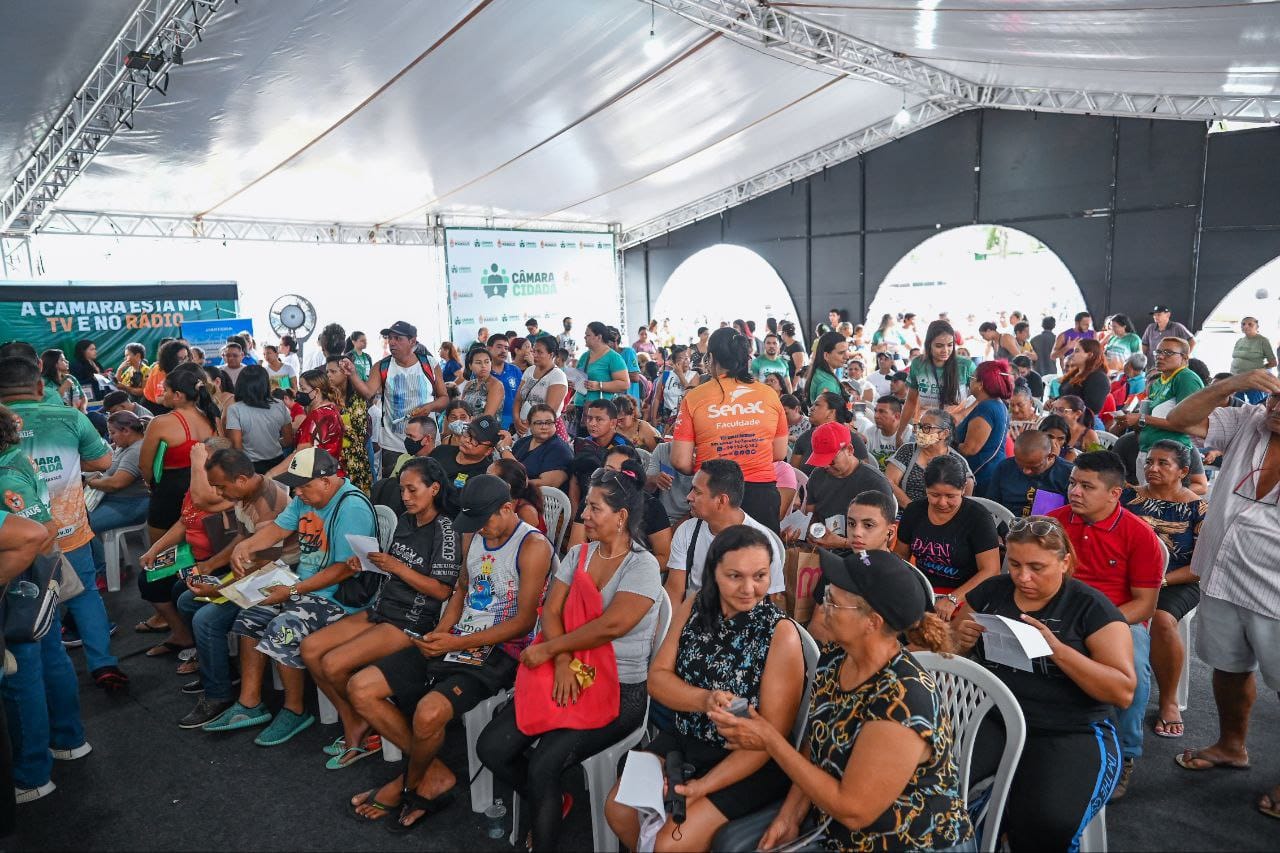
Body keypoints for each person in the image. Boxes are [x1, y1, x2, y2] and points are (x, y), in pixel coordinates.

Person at [717, 548, 972, 852]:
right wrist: (790, 816)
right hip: (836, 827)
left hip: (907, 842)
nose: (822, 608)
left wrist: (771, 739)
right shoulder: (836, 659)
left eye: (833, 602)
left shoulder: (902, 699)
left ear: (872, 622)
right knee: (729, 842)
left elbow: (854, 810)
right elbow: (818, 744)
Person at [346, 474, 554, 829]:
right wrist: (439, 633)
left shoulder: (533, 546)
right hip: (457, 637)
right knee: (360, 689)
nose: (478, 529)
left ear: (508, 507)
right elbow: (461, 590)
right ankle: (433, 771)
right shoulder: (474, 534)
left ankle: (408, 784)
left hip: (501, 650)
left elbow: (523, 623)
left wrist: (455, 643)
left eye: (484, 520)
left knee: (428, 713)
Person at [477, 466, 661, 850]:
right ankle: (549, 797)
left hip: (619, 689)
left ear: (621, 517)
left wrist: (548, 649)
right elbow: (551, 612)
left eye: (594, 508)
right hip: (566, 670)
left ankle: (544, 818)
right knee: (492, 747)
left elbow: (612, 626)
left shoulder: (641, 566)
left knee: (545, 763)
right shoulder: (579, 553)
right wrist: (562, 661)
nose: (584, 516)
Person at [607, 525, 803, 851]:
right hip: (687, 740)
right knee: (617, 809)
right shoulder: (697, 605)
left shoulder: (779, 634)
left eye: (760, 576)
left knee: (668, 845)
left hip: (748, 760)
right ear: (713, 573)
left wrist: (702, 786)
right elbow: (658, 680)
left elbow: (769, 739)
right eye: (735, 576)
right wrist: (705, 700)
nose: (749, 589)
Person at [953, 516, 1133, 852]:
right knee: (938, 790)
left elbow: (1122, 691)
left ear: (1064, 562)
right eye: (1016, 564)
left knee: (1046, 823)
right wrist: (958, 640)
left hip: (1070, 729)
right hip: (996, 719)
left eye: (1037, 567)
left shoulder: (1090, 608)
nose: (1023, 577)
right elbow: (950, 655)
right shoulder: (993, 591)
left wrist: (1057, 651)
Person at [1159, 372, 1280, 817]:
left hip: (1277, 590)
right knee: (1228, 668)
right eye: (1276, 396)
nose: (1277, 407)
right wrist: (1239, 382)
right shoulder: (1249, 419)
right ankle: (1232, 745)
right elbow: (1180, 417)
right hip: (1221, 574)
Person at [201, 448, 377, 745]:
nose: (298, 493)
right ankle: (249, 703)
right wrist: (246, 547)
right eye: (295, 485)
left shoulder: (351, 507)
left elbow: (342, 571)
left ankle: (295, 709)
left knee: (284, 627)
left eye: (305, 485)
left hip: (339, 598)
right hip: (303, 585)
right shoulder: (303, 499)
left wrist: (292, 590)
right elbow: (279, 529)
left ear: (327, 481)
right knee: (250, 616)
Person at [299, 457, 461, 768]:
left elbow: (442, 590)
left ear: (434, 489)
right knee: (310, 649)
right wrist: (367, 562)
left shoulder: (445, 530)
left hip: (411, 620)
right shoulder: (405, 520)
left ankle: (360, 729)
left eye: (413, 490)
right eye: (402, 490)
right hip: (383, 608)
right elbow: (394, 564)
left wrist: (396, 566)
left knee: (333, 664)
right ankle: (357, 722)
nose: (406, 497)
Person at [0, 356, 125, 689]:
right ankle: (104, 665)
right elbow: (102, 460)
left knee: (35, 605)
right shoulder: (69, 417)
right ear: (40, 385)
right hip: (70, 529)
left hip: (15, 540)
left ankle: (45, 676)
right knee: (84, 596)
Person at [1048, 451, 1164, 800]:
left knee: (1135, 671)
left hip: (1119, 618)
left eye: (1087, 486)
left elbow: (1145, 605)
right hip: (1056, 611)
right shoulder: (1054, 522)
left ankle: (1125, 753)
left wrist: (1095, 627)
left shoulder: (1139, 534)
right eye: (1072, 483)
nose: (1075, 492)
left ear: (1115, 493)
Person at [175, 446, 299, 727]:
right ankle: (220, 669)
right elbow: (242, 538)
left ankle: (219, 695)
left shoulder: (267, 503)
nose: (218, 494)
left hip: (279, 576)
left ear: (241, 480)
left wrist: (219, 589)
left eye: (220, 487)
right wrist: (209, 566)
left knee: (206, 619)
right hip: (256, 572)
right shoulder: (245, 493)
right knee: (185, 600)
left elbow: (265, 566)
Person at [1118, 439, 1206, 739]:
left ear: (1183, 470)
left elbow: (1199, 567)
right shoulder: (1128, 496)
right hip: (1124, 576)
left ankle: (1168, 700)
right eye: (1149, 462)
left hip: (1176, 580)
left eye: (1162, 463)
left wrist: (1159, 581)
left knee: (1164, 619)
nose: (1152, 468)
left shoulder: (1198, 508)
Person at [671, 327, 788, 534]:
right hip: (761, 495)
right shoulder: (769, 395)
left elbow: (680, 461)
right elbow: (779, 453)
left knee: (715, 561)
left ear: (712, 357)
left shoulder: (695, 398)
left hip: (713, 493)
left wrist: (706, 460)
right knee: (760, 560)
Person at [665, 459, 786, 604]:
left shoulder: (762, 543)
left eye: (697, 492)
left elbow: (769, 601)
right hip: (692, 616)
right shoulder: (687, 530)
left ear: (722, 500)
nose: (689, 497)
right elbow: (674, 591)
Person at [895, 455, 1001, 619]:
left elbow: (991, 571)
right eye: (934, 495)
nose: (942, 503)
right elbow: (900, 556)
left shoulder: (978, 518)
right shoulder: (914, 512)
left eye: (951, 496)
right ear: (925, 488)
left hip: (967, 594)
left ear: (964, 488)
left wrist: (953, 599)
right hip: (924, 588)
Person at [345, 320, 447, 474]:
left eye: (398, 338)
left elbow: (444, 398)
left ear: (412, 341)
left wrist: (430, 407)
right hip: (392, 445)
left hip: (426, 443)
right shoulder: (382, 366)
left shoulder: (429, 364)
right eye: (390, 338)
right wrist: (352, 374)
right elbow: (367, 393)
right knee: (393, 490)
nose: (392, 342)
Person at [793, 422, 893, 548]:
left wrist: (842, 543)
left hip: (862, 554)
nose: (825, 466)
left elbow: (886, 538)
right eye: (821, 461)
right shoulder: (818, 475)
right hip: (823, 546)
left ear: (850, 450)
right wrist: (810, 532)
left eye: (831, 461)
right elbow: (811, 516)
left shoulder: (875, 483)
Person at [1119, 335, 1204, 483]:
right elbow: (1153, 419)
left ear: (1184, 357)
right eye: (1158, 352)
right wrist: (1135, 422)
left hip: (1170, 456)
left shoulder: (1185, 378)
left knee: (1160, 501)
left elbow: (1187, 423)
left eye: (1168, 353)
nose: (1160, 356)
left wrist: (1141, 418)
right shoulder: (1158, 382)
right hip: (1149, 451)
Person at [84, 411, 151, 581]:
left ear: (126, 431)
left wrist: (88, 481)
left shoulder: (135, 451)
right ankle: (108, 564)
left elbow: (116, 484)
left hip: (131, 505)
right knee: (81, 519)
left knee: (83, 527)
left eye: (113, 433)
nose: (111, 437)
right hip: (119, 501)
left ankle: (106, 572)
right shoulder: (124, 447)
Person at [898, 320, 975, 443]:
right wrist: (900, 433)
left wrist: (962, 415)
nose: (945, 350)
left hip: (955, 431)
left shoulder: (966, 366)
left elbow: (982, 397)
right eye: (939, 346)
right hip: (924, 431)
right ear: (929, 345)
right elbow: (911, 401)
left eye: (950, 345)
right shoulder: (918, 364)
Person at [886, 408, 974, 507]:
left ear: (944, 433)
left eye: (926, 428)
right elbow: (890, 481)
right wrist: (911, 508)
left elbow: (966, 491)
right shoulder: (908, 450)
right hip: (905, 511)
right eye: (919, 427)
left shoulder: (957, 461)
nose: (920, 431)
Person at [982, 430, 1073, 517]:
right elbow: (991, 505)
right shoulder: (1005, 467)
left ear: (1050, 457)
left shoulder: (1068, 475)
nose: (1026, 471)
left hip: (1047, 529)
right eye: (1020, 464)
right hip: (1005, 526)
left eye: (1033, 467)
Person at [955, 359, 1013, 490]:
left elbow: (970, 449)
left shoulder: (986, 408)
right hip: (991, 471)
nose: (970, 382)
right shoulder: (998, 404)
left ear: (980, 384)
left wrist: (947, 445)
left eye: (972, 378)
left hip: (981, 475)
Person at [225, 364, 294, 474]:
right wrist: (271, 443)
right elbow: (288, 440)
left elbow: (237, 447)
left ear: (240, 385)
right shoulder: (279, 405)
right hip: (278, 463)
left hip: (250, 466)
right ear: (266, 384)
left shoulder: (234, 409)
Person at [322, 356, 373, 493]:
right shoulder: (326, 399)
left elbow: (358, 434)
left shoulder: (357, 398)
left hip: (354, 460)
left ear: (345, 374)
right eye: (327, 372)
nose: (329, 376)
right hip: (332, 461)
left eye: (333, 372)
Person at [429, 413, 501, 506]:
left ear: (488, 450)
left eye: (476, 440)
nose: (467, 440)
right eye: (468, 433)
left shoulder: (484, 475)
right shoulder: (441, 451)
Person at [791, 391, 869, 475]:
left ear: (831, 412)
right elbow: (794, 474)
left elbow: (864, 475)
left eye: (817, 405)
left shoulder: (853, 440)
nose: (811, 408)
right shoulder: (805, 437)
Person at [503, 403, 573, 492]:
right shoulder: (522, 442)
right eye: (538, 423)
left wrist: (505, 450)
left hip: (541, 499)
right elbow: (507, 469)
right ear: (529, 424)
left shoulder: (560, 449)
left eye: (549, 423)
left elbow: (546, 484)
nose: (544, 427)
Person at [513, 336, 568, 436]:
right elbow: (518, 399)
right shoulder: (529, 370)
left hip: (544, 430)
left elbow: (549, 411)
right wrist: (517, 420)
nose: (534, 355)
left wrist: (528, 423)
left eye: (539, 352)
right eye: (534, 351)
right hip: (524, 428)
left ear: (551, 354)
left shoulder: (558, 376)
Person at [572, 321, 629, 410]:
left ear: (599, 337)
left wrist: (599, 385)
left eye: (588, 335)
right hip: (580, 406)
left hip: (601, 409)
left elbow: (624, 384)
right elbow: (578, 380)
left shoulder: (613, 357)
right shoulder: (584, 356)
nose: (584, 337)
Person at [1057, 339, 1111, 417]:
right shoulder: (1075, 373)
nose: (1072, 354)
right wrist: (1054, 401)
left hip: (1081, 424)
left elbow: (1092, 409)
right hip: (1065, 418)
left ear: (1089, 355)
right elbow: (1066, 395)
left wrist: (1062, 408)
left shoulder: (1098, 378)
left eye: (1077, 351)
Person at [1229, 317, 1277, 403]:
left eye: (1250, 324)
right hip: (1236, 378)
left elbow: (1273, 363)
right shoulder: (1240, 341)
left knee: (1256, 406)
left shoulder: (1263, 341)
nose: (1246, 326)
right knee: (1235, 404)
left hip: (1253, 380)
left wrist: (1258, 369)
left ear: (1257, 327)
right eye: (1243, 324)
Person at [650, 344, 697, 428]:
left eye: (687, 358)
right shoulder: (666, 375)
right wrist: (653, 418)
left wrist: (680, 375)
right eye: (682, 359)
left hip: (685, 419)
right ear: (674, 361)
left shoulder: (694, 375)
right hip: (666, 419)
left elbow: (691, 394)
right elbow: (656, 398)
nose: (685, 361)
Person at [862, 395, 909, 470]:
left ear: (897, 416)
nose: (876, 416)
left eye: (882, 412)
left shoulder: (909, 433)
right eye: (875, 411)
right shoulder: (870, 432)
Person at [456, 347, 504, 418]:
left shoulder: (495, 385)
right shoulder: (469, 384)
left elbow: (488, 417)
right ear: (470, 366)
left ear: (491, 364)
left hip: (485, 427)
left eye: (487, 362)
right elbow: (461, 409)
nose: (483, 366)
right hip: (466, 425)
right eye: (478, 363)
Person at [805, 330, 848, 403]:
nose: (846, 356)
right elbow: (826, 413)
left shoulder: (820, 373)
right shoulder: (827, 383)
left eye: (846, 351)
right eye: (841, 353)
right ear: (826, 355)